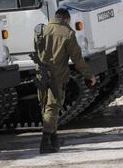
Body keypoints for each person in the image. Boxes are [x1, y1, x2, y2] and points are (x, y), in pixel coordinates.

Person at [34, 8, 97, 154]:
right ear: (66, 19)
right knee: (53, 107)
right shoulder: (68, 34)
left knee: (45, 106)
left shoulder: (41, 30)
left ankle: (53, 139)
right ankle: (45, 141)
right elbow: (77, 60)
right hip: (56, 77)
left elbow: (37, 52)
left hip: (41, 75)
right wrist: (89, 76)